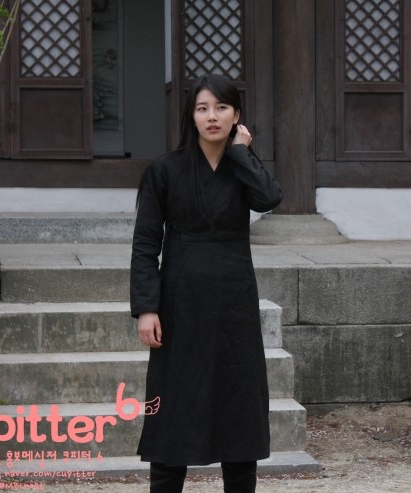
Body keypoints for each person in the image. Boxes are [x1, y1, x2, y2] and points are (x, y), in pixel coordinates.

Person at [129, 73, 283, 493]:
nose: (211, 116)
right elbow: (146, 244)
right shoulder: (165, 170)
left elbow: (270, 198)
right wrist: (146, 307)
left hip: (234, 305)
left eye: (221, 108)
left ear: (236, 116)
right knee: (174, 409)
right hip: (180, 305)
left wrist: (241, 153)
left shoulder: (241, 168)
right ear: (191, 116)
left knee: (239, 409)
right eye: (202, 108)